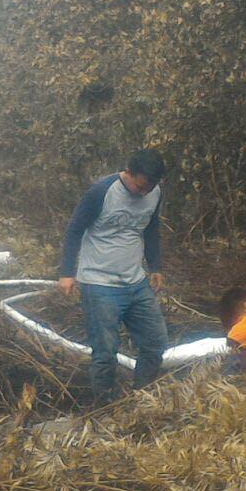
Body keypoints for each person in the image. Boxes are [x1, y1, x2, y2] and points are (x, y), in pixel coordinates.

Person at [58, 149, 170, 402]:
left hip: (136, 281)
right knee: (105, 352)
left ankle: (141, 398)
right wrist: (67, 273)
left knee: (155, 342)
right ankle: (104, 407)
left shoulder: (154, 193)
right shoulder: (101, 192)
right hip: (100, 283)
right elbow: (74, 230)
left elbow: (151, 228)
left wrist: (156, 266)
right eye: (139, 187)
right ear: (128, 173)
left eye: (149, 188)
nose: (143, 193)